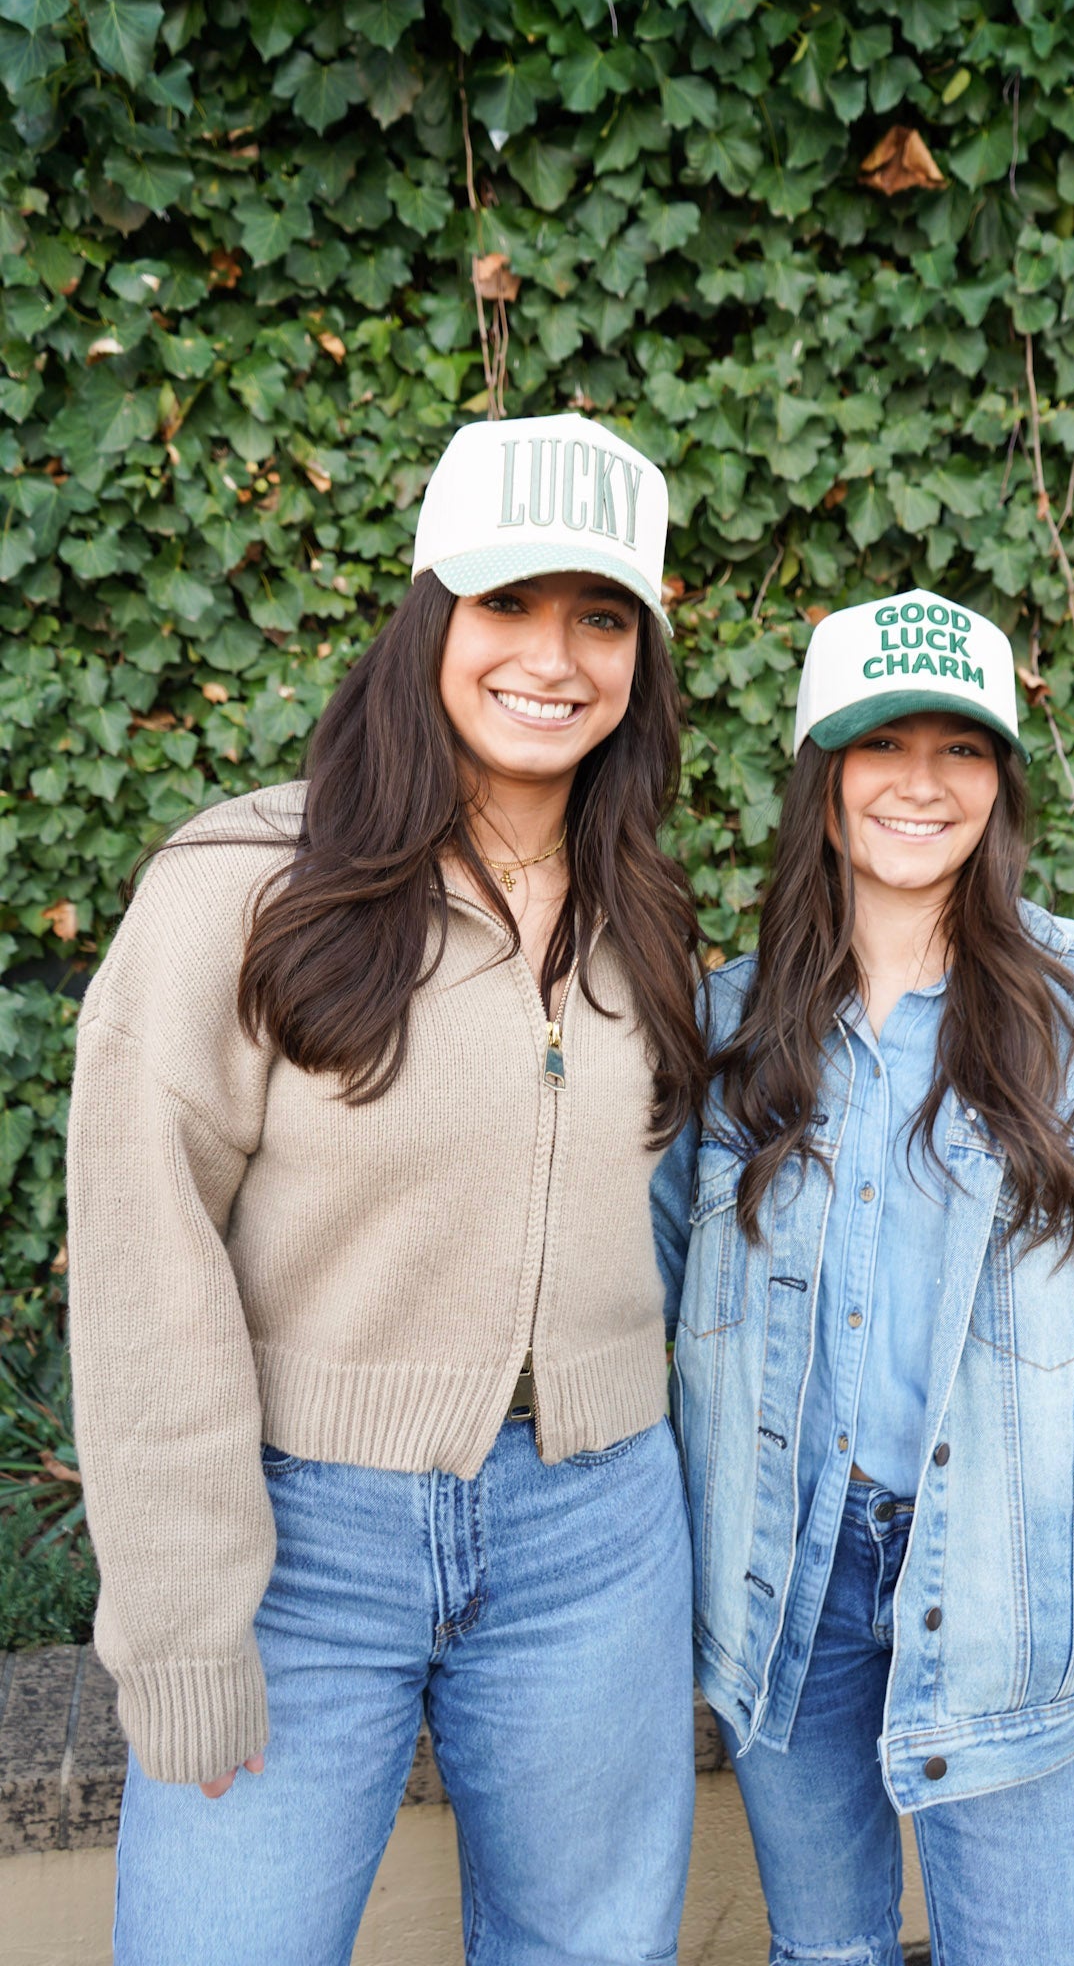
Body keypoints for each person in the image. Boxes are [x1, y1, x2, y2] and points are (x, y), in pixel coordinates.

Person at [68, 413, 705, 1966]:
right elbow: (146, 1267)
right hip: (301, 1542)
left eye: (601, 616)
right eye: (507, 602)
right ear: (429, 614)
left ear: (641, 656)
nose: (551, 657)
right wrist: (181, 1621)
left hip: (596, 1530)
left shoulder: (648, 914)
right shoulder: (243, 887)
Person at [652, 590, 1074, 1966]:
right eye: (882, 744)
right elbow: (655, 1277)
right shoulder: (728, 1023)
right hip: (784, 1571)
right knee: (826, 1952)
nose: (921, 783)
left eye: (961, 748)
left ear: (1001, 782)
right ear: (822, 774)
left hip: (1010, 1574)